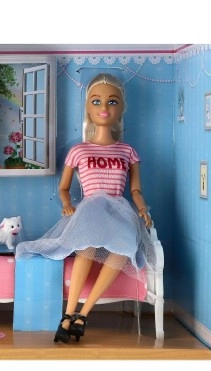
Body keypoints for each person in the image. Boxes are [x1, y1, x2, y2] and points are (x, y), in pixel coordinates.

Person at [15, 73, 157, 343]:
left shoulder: (127, 151)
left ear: (121, 108)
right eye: (96, 101)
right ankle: (68, 314)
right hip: (90, 208)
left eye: (112, 101)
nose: (104, 108)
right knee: (86, 247)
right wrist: (67, 204)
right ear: (88, 108)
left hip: (119, 211)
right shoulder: (79, 151)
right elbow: (63, 188)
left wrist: (142, 210)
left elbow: (135, 190)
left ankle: (83, 313)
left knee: (123, 248)